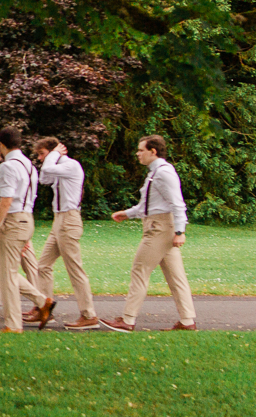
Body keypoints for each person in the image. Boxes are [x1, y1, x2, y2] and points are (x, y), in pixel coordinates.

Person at [102, 135, 198, 332]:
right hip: (159, 226)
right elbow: (148, 206)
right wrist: (127, 214)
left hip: (159, 229)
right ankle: (187, 321)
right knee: (176, 277)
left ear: (153, 151)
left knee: (139, 270)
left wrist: (180, 231)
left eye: (141, 150)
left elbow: (177, 204)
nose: (138, 154)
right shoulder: (155, 173)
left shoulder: (164, 173)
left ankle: (127, 320)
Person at [29, 137, 102, 329]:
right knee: (42, 266)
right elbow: (44, 179)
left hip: (69, 220)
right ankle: (44, 309)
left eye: (42, 153)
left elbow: (46, 170)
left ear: (55, 152)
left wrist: (53, 155)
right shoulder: (55, 166)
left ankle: (89, 315)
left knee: (75, 269)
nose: (40, 158)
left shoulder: (71, 165)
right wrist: (50, 158)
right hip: (58, 220)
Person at [0, 127, 38, 334]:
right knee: (5, 271)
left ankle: (13, 324)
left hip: (13, 221)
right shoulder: (29, 165)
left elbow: (5, 202)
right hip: (27, 218)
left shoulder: (7, 167)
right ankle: (42, 301)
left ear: (2, 144)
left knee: (8, 275)